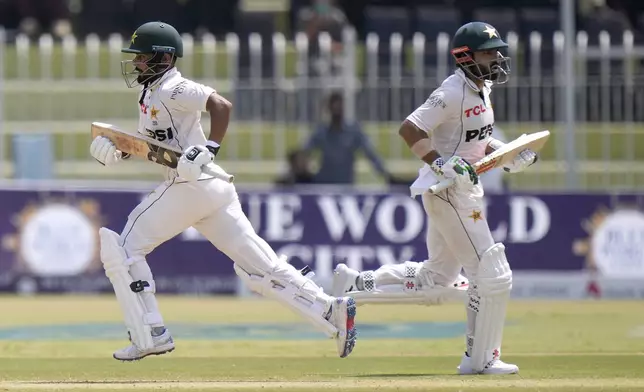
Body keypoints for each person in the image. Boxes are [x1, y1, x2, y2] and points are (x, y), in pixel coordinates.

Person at [89, 21, 357, 361]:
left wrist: (210, 147)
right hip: (212, 189)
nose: (137, 64)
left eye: (142, 57)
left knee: (122, 251)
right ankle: (331, 310)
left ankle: (150, 333)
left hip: (190, 185)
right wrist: (122, 149)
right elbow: (161, 145)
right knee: (260, 268)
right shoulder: (151, 92)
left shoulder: (174, 88)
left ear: (164, 58)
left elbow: (221, 105)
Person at [332, 22, 539, 375]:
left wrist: (507, 152)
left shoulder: (483, 87)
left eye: (497, 52)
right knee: (490, 274)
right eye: (490, 53)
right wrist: (440, 163)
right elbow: (410, 129)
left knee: (437, 278)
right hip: (447, 192)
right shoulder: (452, 92)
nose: (498, 59)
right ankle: (481, 359)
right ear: (466, 57)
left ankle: (357, 284)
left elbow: (474, 141)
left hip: (462, 190)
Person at [303, 92, 395, 184]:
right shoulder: (321, 132)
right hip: (324, 184)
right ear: (329, 109)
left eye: (339, 107)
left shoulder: (353, 132)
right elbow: (304, 153)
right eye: (334, 107)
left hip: (346, 185)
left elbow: (370, 153)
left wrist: (385, 174)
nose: (336, 110)